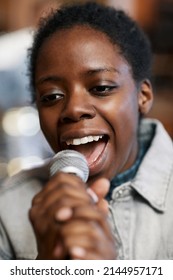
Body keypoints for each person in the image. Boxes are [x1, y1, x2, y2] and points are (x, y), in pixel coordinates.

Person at [0, 1, 173, 260]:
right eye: (51, 96)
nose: (73, 109)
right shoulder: (7, 208)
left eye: (101, 88)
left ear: (143, 97)